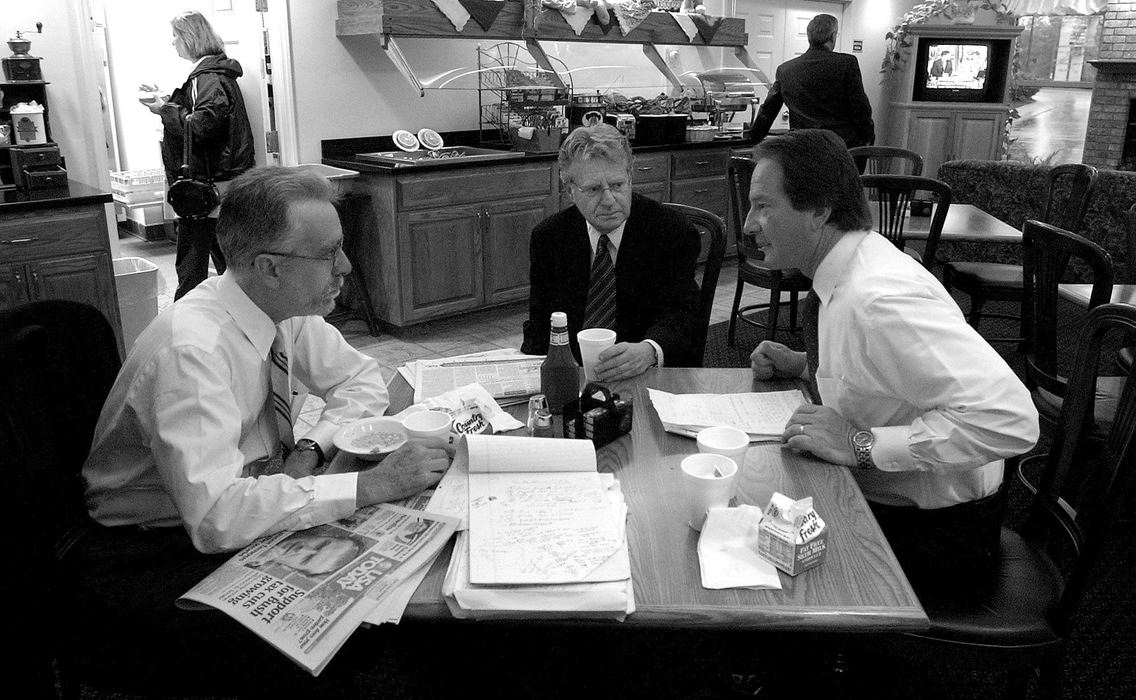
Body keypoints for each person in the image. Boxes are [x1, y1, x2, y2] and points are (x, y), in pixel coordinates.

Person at [73, 166, 451, 695]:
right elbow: (214, 518)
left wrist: (314, 450)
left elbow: (361, 380)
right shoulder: (193, 352)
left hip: (239, 498)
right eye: (328, 254)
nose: (345, 266)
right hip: (151, 547)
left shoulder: (279, 307)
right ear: (269, 267)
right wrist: (369, 485)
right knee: (354, 618)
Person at [745, 129, 1039, 595]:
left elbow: (1011, 420)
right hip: (897, 507)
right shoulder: (849, 271)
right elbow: (884, 375)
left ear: (819, 210)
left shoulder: (876, 299)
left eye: (763, 205)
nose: (748, 224)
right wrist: (804, 365)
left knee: (750, 558)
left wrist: (861, 445)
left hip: (938, 538)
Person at [521, 123, 702, 378]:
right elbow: (540, 325)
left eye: (617, 185)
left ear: (630, 178)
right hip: (572, 376)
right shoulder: (549, 238)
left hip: (645, 373)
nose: (609, 200)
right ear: (570, 191)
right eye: (594, 189)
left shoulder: (671, 232)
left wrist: (649, 350)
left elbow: (683, 316)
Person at [142, 10, 255, 300]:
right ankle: (231, 320)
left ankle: (187, 327)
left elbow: (202, 125)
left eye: (176, 36)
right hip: (221, 183)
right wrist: (168, 101)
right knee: (227, 261)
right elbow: (203, 115)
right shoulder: (216, 74)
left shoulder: (206, 78)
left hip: (207, 185)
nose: (173, 43)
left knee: (192, 266)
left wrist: (164, 110)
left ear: (190, 39)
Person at [747, 14, 874, 149]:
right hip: (839, 147)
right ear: (832, 36)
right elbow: (860, 108)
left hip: (801, 147)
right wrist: (867, 138)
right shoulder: (847, 63)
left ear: (809, 37)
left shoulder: (785, 70)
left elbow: (768, 110)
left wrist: (753, 138)